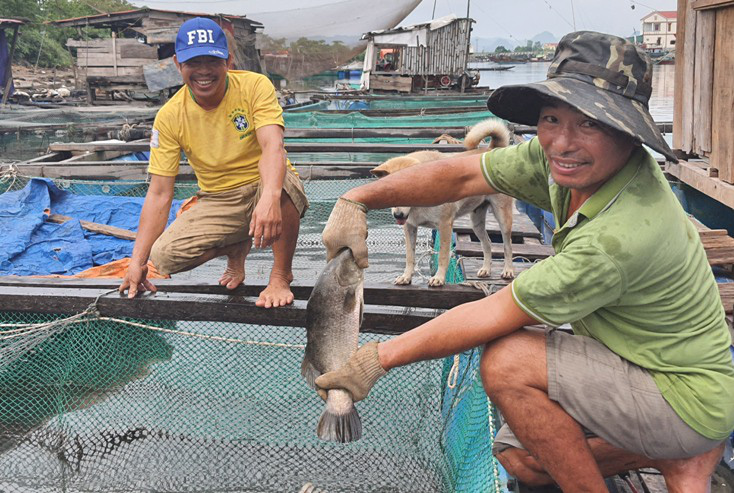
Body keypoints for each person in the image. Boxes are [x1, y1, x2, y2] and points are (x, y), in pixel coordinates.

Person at [317, 31, 734, 492]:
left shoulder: (621, 235)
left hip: (681, 392)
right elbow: (464, 172)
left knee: (508, 360)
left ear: (627, 131)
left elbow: (494, 312)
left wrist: (375, 360)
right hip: (633, 359)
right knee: (522, 460)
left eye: (590, 124)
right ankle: (683, 452)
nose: (562, 143)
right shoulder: (568, 161)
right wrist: (357, 200)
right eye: (552, 118)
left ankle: (683, 445)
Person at [119, 17, 308, 308]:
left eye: (212, 60)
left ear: (228, 61)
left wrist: (269, 197)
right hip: (219, 198)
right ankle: (236, 246)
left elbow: (273, 146)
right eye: (194, 63)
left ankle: (281, 275)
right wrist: (136, 262)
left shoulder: (255, 85)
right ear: (177, 63)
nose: (204, 71)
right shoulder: (169, 116)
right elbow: (159, 193)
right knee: (164, 256)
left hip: (264, 183)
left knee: (280, 182)